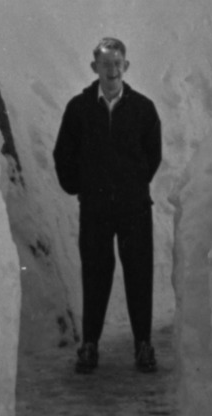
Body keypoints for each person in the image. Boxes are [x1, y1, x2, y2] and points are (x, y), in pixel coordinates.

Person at [52, 36, 162, 374]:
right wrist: (79, 187)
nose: (112, 70)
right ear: (94, 68)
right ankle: (90, 345)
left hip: (134, 210)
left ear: (126, 66)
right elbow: (63, 153)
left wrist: (133, 184)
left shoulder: (143, 109)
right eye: (105, 64)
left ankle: (143, 345)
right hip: (96, 211)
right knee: (95, 276)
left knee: (139, 275)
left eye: (118, 63)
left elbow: (153, 156)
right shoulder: (79, 108)